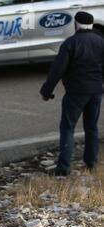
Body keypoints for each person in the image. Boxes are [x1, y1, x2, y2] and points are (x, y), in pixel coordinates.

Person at [40, 11, 104, 176]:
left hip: (75, 93)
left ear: (75, 24)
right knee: (91, 127)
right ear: (91, 25)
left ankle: (64, 168)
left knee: (68, 127)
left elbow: (57, 70)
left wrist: (46, 91)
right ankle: (91, 163)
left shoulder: (70, 43)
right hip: (96, 92)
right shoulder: (100, 42)